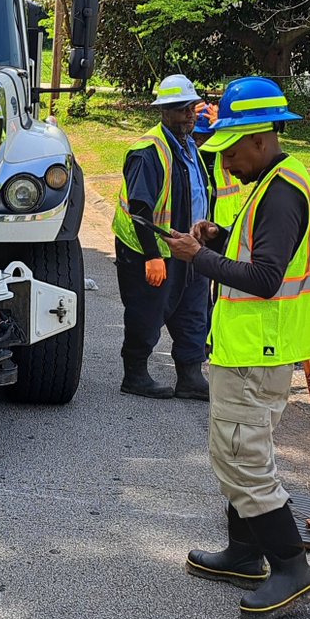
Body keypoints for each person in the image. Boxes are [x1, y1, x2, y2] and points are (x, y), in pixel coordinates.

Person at [167, 77, 310, 619]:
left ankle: (292, 568)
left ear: (259, 140)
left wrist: (195, 255)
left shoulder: (281, 191)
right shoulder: (271, 182)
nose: (226, 164)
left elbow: (263, 277)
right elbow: (256, 247)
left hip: (259, 351)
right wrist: (219, 233)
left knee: (243, 459)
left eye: (231, 151)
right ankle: (245, 553)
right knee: (231, 453)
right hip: (248, 347)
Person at [112, 73, 213, 400]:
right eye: (182, 109)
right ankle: (136, 375)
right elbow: (140, 210)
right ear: (164, 111)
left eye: (191, 108)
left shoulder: (189, 147)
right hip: (150, 251)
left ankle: (190, 376)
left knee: (193, 311)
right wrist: (152, 256)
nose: (189, 114)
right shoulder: (148, 151)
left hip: (188, 250)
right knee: (147, 311)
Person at [194, 102, 244, 227]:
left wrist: (225, 127)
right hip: (196, 221)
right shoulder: (186, 150)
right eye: (196, 135)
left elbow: (242, 142)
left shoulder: (226, 150)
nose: (199, 140)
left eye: (205, 136)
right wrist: (184, 119)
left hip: (224, 221)